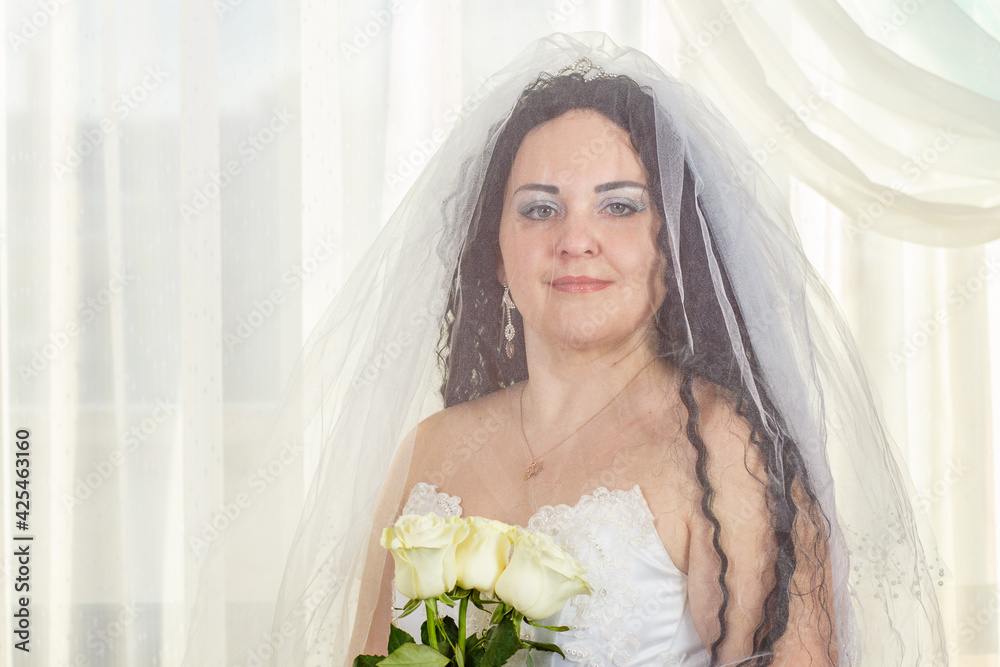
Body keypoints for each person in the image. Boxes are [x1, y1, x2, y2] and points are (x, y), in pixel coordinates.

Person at [250, 33, 947, 666]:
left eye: (619, 205)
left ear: (671, 248)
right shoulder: (429, 450)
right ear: (496, 253)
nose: (575, 239)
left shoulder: (728, 450)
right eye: (539, 208)